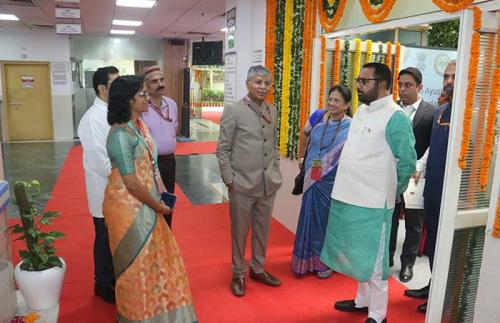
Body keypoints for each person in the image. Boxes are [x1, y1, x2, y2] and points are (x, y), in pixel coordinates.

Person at [320, 62, 417, 323]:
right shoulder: (362, 109)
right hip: (347, 196)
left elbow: (407, 160)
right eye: (359, 80)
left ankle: (378, 314)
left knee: (374, 261)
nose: (359, 86)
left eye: (365, 81)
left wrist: (391, 191)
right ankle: (362, 301)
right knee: (354, 253)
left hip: (374, 204)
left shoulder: (395, 117)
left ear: (384, 85)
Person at [103, 75, 197, 322]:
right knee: (136, 267)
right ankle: (138, 314)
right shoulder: (119, 135)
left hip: (147, 201)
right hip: (129, 209)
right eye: (142, 94)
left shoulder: (138, 126)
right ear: (128, 100)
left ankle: (158, 311)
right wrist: (157, 206)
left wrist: (161, 192)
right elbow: (131, 182)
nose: (147, 97)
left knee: (155, 260)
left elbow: (151, 165)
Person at [216, 65, 282, 297]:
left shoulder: (272, 110)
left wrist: (275, 171)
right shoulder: (234, 111)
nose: (262, 87)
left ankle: (257, 268)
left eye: (266, 83)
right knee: (240, 232)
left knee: (262, 230)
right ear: (247, 83)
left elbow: (273, 145)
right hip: (241, 185)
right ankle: (238, 273)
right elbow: (222, 149)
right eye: (257, 82)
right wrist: (229, 179)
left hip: (267, 184)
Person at [404, 60, 456, 313]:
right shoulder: (440, 113)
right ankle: (433, 285)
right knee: (433, 240)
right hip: (433, 189)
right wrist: (419, 167)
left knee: (450, 244)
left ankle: (445, 295)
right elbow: (429, 149)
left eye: (453, 76)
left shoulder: (473, 115)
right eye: (446, 76)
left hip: (454, 193)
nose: (448, 81)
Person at [291, 85, 352, 279]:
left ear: (347, 105)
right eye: (330, 98)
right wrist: (301, 158)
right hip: (313, 174)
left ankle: (325, 261)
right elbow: (304, 133)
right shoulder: (318, 116)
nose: (332, 103)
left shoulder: (352, 125)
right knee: (308, 215)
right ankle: (304, 259)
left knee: (326, 220)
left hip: (334, 180)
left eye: (337, 101)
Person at [388, 67, 435, 283]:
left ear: (420, 87)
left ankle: (408, 264)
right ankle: (386, 258)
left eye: (408, 85)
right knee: (390, 218)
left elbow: (433, 145)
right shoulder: (391, 109)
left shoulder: (431, 112)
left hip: (417, 176)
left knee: (414, 224)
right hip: (391, 174)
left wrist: (419, 166)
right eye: (400, 84)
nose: (403, 89)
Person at [77, 66, 119, 303]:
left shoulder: (112, 111)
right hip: (104, 188)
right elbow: (98, 159)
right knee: (103, 236)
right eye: (115, 84)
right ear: (102, 88)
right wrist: (124, 179)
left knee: (114, 235)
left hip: (117, 188)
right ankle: (102, 283)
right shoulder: (93, 118)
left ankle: (112, 277)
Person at [141, 65, 178, 228]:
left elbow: (174, 129)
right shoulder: (142, 107)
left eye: (161, 80)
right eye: (154, 81)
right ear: (146, 86)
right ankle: (153, 240)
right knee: (153, 203)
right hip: (150, 164)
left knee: (168, 201)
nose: (159, 84)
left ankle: (167, 237)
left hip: (170, 162)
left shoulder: (172, 104)